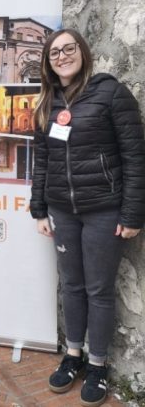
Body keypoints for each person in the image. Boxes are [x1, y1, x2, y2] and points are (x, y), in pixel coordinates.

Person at [30, 29, 145, 407]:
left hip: (103, 211)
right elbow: (42, 159)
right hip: (63, 210)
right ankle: (73, 354)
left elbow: (134, 157)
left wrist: (132, 213)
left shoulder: (110, 93)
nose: (63, 56)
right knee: (71, 285)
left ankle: (98, 364)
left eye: (69, 48)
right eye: (55, 53)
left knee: (98, 289)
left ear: (83, 51)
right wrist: (40, 208)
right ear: (48, 62)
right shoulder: (47, 102)